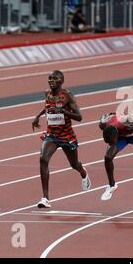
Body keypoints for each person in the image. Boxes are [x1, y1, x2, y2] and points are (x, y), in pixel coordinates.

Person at [32, 70, 91, 208]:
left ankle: (83, 172)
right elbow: (47, 107)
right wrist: (37, 116)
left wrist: (64, 111)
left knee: (74, 164)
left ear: (61, 81)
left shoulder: (67, 95)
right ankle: (45, 198)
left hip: (67, 136)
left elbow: (79, 117)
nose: (51, 80)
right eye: (49, 78)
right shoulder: (47, 93)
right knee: (43, 159)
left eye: (54, 78)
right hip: (52, 135)